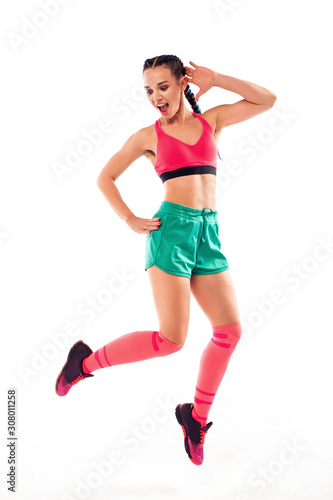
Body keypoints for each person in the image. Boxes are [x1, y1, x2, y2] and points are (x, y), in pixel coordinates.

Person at [55, 54, 277, 465]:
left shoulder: (210, 121)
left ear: (181, 85)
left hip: (207, 233)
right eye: (148, 90)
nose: (156, 97)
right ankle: (82, 364)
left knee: (229, 332)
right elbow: (105, 177)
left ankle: (195, 418)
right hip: (170, 233)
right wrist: (129, 218)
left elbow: (267, 100)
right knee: (170, 340)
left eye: (163, 87)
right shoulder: (148, 136)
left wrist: (218, 78)